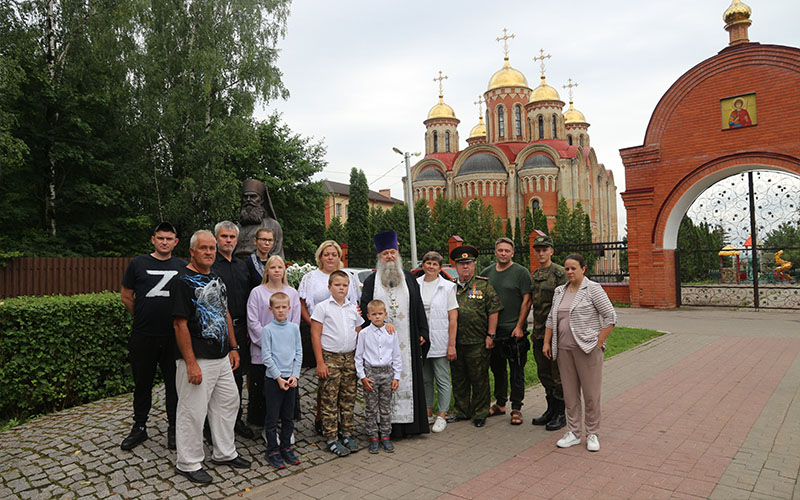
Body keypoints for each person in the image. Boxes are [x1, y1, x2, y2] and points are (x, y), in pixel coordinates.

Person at [171, 230, 250, 485]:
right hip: (197, 358)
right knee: (192, 411)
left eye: (212, 249)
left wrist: (234, 347)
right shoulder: (182, 281)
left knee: (228, 402)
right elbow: (179, 325)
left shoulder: (215, 276)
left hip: (221, 355)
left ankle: (224, 453)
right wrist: (191, 362)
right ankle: (188, 462)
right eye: (203, 248)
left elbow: (223, 312)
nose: (208, 252)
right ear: (192, 251)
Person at [119, 222, 186, 451]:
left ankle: (174, 429)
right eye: (161, 238)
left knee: (174, 386)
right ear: (153, 239)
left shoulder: (182, 266)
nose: (164, 242)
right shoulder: (138, 263)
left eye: (169, 238)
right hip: (144, 335)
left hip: (173, 337)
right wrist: (142, 315)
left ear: (175, 242)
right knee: (142, 384)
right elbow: (127, 296)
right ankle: (139, 427)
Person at [360, 230, 430, 437]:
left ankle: (410, 427)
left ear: (397, 252)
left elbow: (418, 306)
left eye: (392, 252)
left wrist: (423, 331)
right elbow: (365, 309)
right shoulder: (372, 281)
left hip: (406, 340)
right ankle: (383, 429)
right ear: (379, 257)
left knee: (407, 378)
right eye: (385, 254)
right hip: (378, 346)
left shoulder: (409, 278)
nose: (389, 256)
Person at [543, 253, 616, 452]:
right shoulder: (560, 291)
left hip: (587, 349)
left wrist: (598, 342)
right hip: (564, 350)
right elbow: (551, 319)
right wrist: (547, 342)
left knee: (591, 394)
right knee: (570, 394)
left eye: (573, 268)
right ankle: (574, 432)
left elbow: (610, 317)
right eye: (566, 268)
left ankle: (592, 433)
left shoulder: (593, 289)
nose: (569, 272)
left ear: (583, 269)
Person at [298, 240, 361, 433]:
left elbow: (355, 304)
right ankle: (321, 418)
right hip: (319, 333)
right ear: (320, 257)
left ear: (339, 257)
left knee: (345, 383)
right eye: (327, 254)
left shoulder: (348, 276)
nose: (330, 257)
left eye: (334, 254)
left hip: (344, 335)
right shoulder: (310, 277)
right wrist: (313, 323)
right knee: (325, 381)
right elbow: (301, 303)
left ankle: (343, 421)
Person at [310, 270, 363, 457]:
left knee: (348, 398)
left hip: (349, 358)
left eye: (345, 285)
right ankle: (331, 437)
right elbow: (315, 335)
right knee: (329, 399)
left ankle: (347, 433)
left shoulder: (352, 307)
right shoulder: (322, 307)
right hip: (330, 358)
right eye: (338, 285)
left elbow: (358, 330)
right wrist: (320, 362)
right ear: (329, 287)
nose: (341, 288)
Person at [480, 237, 532, 425]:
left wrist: (519, 326)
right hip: (494, 332)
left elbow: (527, 300)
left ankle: (516, 408)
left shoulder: (521, 273)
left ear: (512, 253)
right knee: (498, 370)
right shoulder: (486, 273)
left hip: (514, 333)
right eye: (500, 250)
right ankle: (500, 403)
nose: (503, 253)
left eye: (507, 251)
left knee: (516, 371)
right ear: (495, 252)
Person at [450, 245, 502, 428]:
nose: (465, 267)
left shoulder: (484, 285)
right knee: (459, 378)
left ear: (474, 265)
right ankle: (461, 411)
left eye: (469, 263)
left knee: (479, 379)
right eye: (461, 263)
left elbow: (493, 311)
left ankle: (480, 413)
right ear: (455, 266)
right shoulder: (450, 287)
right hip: (456, 342)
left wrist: (491, 335)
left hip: (478, 342)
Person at [246, 255, 301, 429]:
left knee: (286, 393)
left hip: (285, 355)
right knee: (265, 392)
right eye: (273, 267)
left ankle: (286, 426)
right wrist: (270, 345)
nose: (277, 270)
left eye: (280, 267)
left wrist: (282, 345)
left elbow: (295, 323)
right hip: (262, 352)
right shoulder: (257, 292)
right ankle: (265, 427)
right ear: (267, 271)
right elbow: (253, 322)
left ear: (284, 270)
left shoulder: (292, 293)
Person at [211, 221, 254, 439]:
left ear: (237, 240)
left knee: (237, 378)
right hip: (217, 330)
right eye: (224, 236)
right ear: (216, 239)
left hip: (241, 328)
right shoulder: (211, 266)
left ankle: (236, 420)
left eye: (232, 237)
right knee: (216, 379)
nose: (228, 240)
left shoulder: (242, 265)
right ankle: (211, 426)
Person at [416, 251, 458, 433]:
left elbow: (453, 318)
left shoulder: (448, 287)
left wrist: (451, 344)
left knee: (442, 378)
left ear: (440, 268)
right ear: (423, 265)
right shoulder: (415, 285)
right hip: (422, 340)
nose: (431, 266)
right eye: (428, 263)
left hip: (441, 340)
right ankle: (428, 412)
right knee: (425, 379)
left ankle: (442, 414)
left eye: (435, 264)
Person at [529, 234, 568, 430]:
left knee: (557, 374)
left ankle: (562, 413)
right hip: (538, 333)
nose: (541, 253)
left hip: (555, 334)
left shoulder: (560, 274)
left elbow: (564, 305)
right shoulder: (535, 275)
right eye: (538, 250)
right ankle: (551, 409)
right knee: (544, 373)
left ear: (552, 251)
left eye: (545, 249)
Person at [261, 292, 303, 469]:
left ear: (289, 308)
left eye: (283, 307)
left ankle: (286, 446)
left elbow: (298, 352)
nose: (280, 310)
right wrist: (278, 377)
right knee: (272, 417)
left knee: (288, 416)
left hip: (291, 380)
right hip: (274, 380)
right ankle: (272, 450)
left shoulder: (294, 328)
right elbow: (267, 357)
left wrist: (294, 375)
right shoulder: (267, 330)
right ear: (271, 310)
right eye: (277, 307)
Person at [355, 300, 402, 453]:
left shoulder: (391, 332)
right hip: (371, 373)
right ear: (368, 316)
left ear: (385, 315)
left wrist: (396, 377)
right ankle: (373, 436)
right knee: (371, 407)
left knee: (386, 407)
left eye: (380, 314)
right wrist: (362, 376)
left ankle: (386, 436)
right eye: (374, 314)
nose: (377, 317)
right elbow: (358, 357)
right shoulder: (363, 334)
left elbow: (396, 355)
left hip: (387, 373)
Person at [235, 178, 284, 259]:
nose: (248, 200)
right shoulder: (237, 227)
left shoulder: (273, 225)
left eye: (253, 197)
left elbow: (277, 255)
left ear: (261, 200)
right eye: (245, 197)